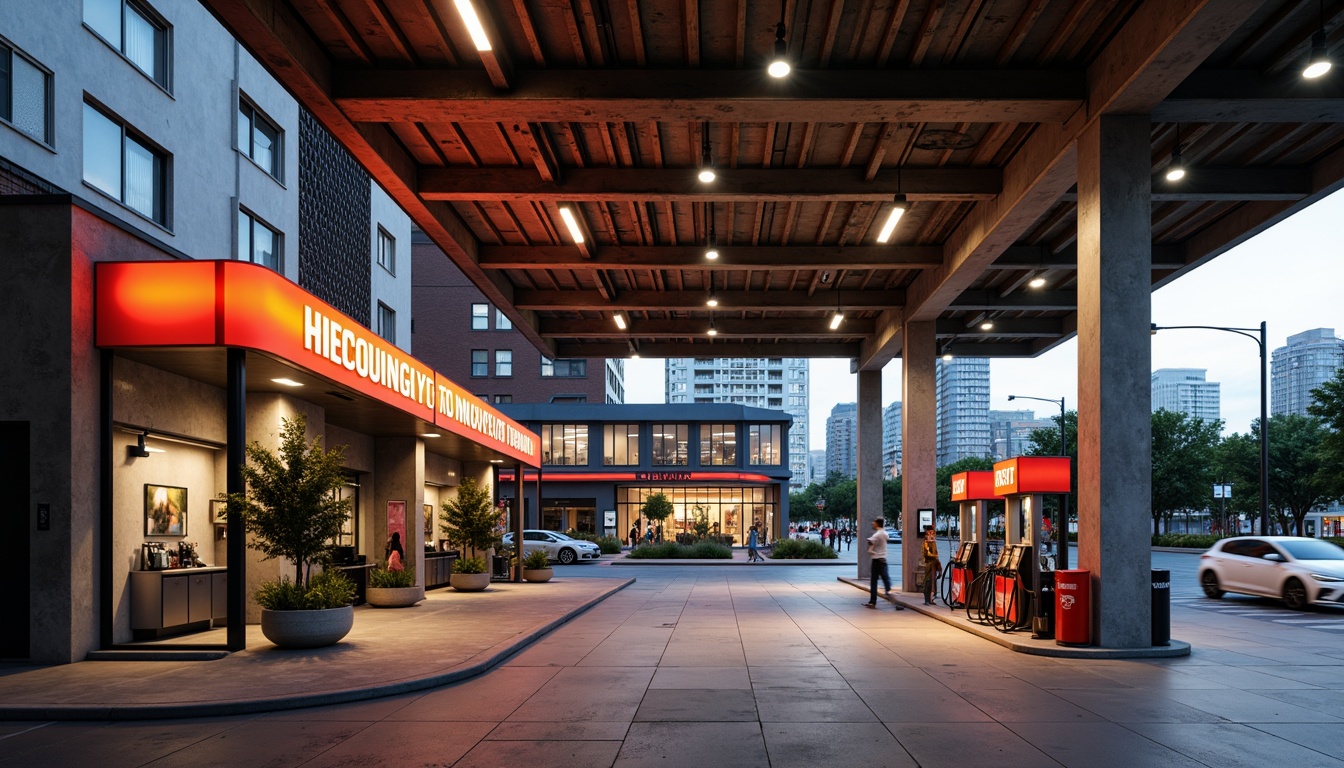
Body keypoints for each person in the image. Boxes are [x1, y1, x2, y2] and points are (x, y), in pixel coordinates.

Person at [865, 518, 901, 609]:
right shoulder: (885, 533)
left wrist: (871, 546)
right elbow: (887, 539)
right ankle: (891, 597)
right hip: (883, 560)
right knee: (886, 580)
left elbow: (870, 541)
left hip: (876, 560)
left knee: (874, 581)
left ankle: (873, 601)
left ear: (877, 524)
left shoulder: (877, 534)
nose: (872, 523)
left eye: (874, 522)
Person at [921, 525, 941, 605]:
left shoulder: (933, 543)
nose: (932, 535)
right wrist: (935, 557)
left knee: (933, 582)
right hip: (929, 563)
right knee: (928, 581)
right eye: (929, 533)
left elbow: (935, 553)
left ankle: (931, 598)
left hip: (934, 563)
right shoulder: (926, 543)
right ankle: (927, 599)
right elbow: (927, 554)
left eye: (933, 533)